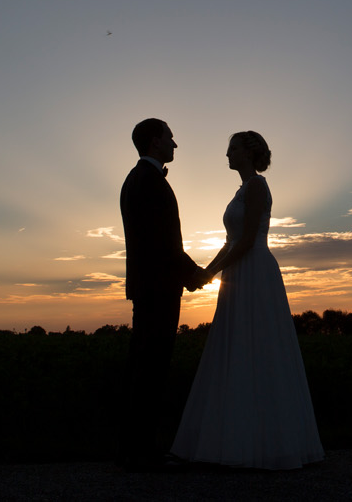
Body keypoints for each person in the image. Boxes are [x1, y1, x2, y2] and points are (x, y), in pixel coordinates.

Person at [171, 130, 324, 469]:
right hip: (238, 271)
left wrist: (207, 276)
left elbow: (246, 241)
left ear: (249, 153)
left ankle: (265, 441)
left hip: (254, 269)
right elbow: (230, 242)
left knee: (260, 346)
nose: (227, 154)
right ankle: (241, 436)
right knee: (237, 346)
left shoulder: (257, 186)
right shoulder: (242, 189)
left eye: (233, 148)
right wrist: (205, 272)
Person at [119, 118, 206, 472]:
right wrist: (193, 274)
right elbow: (161, 241)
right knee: (151, 368)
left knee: (145, 366)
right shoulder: (149, 182)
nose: (175, 144)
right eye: (170, 137)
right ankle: (140, 453)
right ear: (155, 142)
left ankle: (135, 449)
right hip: (158, 288)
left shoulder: (136, 179)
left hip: (150, 286)